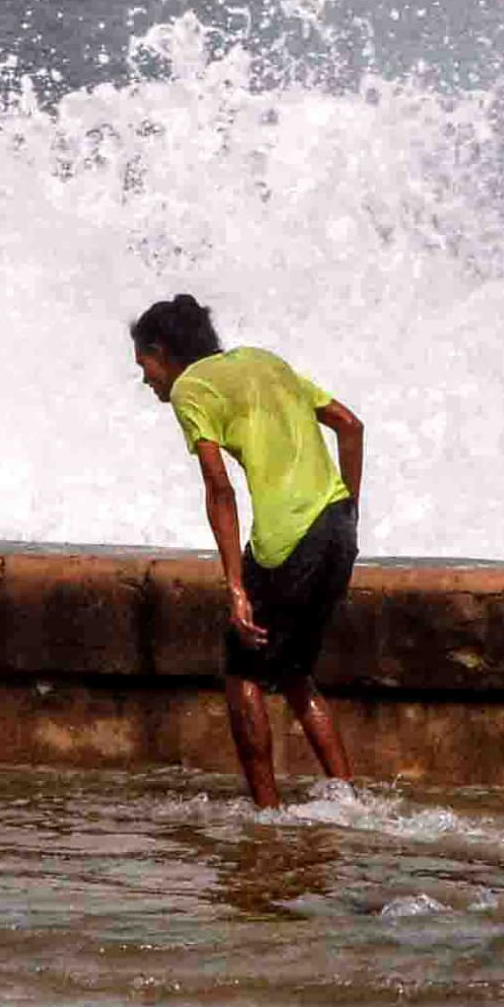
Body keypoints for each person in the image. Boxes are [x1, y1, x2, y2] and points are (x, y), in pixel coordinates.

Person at [130, 294, 363, 809]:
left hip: (287, 539)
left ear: (162, 351)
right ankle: (349, 803)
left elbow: (219, 491)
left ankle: (268, 813)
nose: (147, 380)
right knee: (295, 673)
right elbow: (350, 425)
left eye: (144, 365)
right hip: (337, 527)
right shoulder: (264, 360)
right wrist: (348, 510)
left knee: (242, 671)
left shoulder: (192, 387)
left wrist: (236, 588)